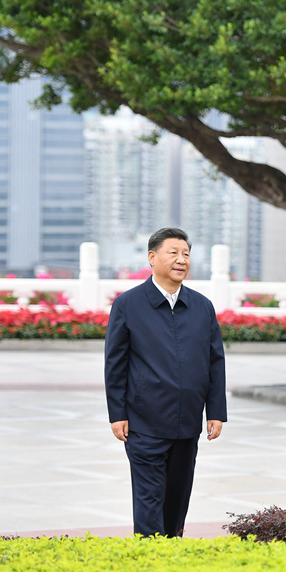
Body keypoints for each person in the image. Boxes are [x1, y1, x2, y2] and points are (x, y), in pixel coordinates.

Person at [105, 227, 227, 537]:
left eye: (186, 254)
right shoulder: (128, 304)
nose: (181, 260)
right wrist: (117, 414)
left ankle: (170, 553)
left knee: (177, 497)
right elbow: (115, 364)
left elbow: (215, 361)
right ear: (152, 257)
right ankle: (149, 555)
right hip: (144, 420)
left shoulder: (202, 307)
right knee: (149, 497)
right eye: (173, 252)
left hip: (187, 421)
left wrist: (215, 411)